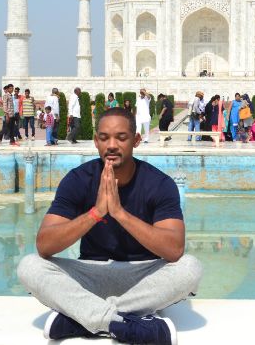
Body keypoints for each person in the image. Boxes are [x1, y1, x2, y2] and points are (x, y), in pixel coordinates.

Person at [16, 108, 203, 343]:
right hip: (90, 274)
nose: (112, 145)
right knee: (29, 266)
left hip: (142, 277)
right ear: (96, 142)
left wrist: (119, 213)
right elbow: (44, 245)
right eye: (104, 138)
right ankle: (121, 324)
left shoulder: (159, 184)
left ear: (136, 140)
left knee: (190, 268)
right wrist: (96, 213)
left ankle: (82, 319)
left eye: (121, 138)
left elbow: (174, 249)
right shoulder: (78, 179)